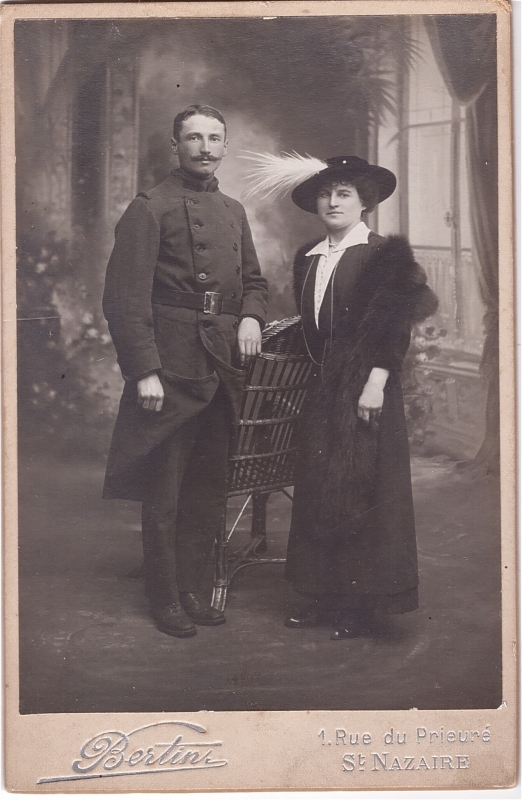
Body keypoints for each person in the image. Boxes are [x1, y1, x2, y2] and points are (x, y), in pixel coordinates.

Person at [245, 153, 437, 640]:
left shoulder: (382, 255)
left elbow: (394, 327)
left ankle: (360, 604)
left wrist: (375, 383)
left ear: (365, 202)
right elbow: (313, 331)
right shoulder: (308, 257)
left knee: (362, 490)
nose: (333, 201)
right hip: (321, 388)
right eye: (326, 194)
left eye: (344, 193)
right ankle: (320, 594)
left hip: (366, 387)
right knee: (319, 487)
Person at [102, 105, 268, 637]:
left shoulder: (233, 210)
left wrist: (249, 316)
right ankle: (165, 596)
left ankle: (195, 589)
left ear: (225, 146)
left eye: (214, 138)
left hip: (220, 364)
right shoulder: (149, 208)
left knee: (208, 487)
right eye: (192, 137)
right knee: (167, 490)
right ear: (175, 145)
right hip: (171, 364)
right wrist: (144, 371)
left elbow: (256, 282)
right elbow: (124, 299)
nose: (203, 147)